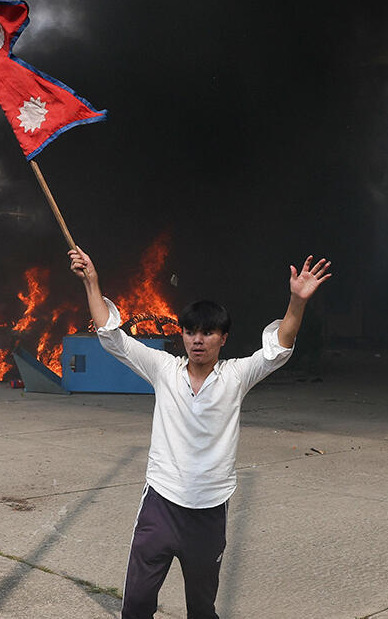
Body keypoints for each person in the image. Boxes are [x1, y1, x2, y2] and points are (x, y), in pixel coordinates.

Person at [68, 246, 331, 619]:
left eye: (208, 333)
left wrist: (296, 302)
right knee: (138, 603)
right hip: (160, 504)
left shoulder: (236, 377)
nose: (197, 340)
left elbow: (276, 352)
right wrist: (92, 283)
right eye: (191, 332)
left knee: (202, 608)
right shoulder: (164, 369)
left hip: (208, 511)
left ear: (223, 338)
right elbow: (115, 340)